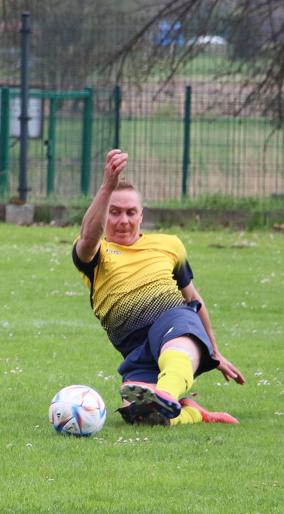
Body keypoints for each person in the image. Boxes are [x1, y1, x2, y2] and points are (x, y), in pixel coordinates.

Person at [71, 149, 246, 426]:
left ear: (142, 215)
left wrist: (213, 351)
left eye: (131, 212)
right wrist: (107, 187)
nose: (123, 220)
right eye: (114, 213)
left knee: (173, 345)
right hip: (135, 348)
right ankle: (190, 411)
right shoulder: (96, 253)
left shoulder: (170, 245)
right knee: (143, 417)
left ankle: (164, 393)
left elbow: (193, 297)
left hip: (173, 319)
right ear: (104, 216)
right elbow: (88, 238)